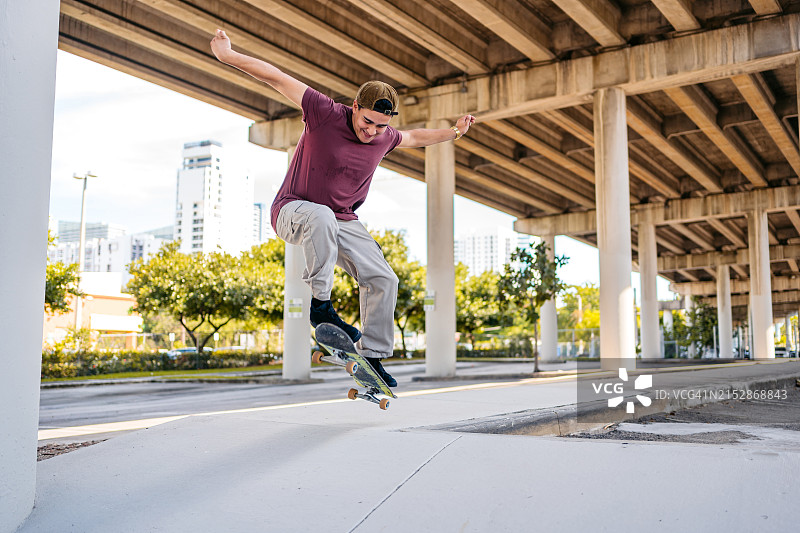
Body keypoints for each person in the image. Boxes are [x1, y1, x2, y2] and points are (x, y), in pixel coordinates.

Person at [211, 29, 475, 387]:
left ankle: (372, 355)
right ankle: (321, 306)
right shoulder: (323, 112)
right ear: (354, 108)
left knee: (384, 278)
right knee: (320, 215)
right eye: (367, 122)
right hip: (293, 210)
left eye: (381, 126)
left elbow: (414, 137)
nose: (372, 132)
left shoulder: (386, 136)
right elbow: (275, 76)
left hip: (343, 220)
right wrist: (228, 56)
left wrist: (454, 133)